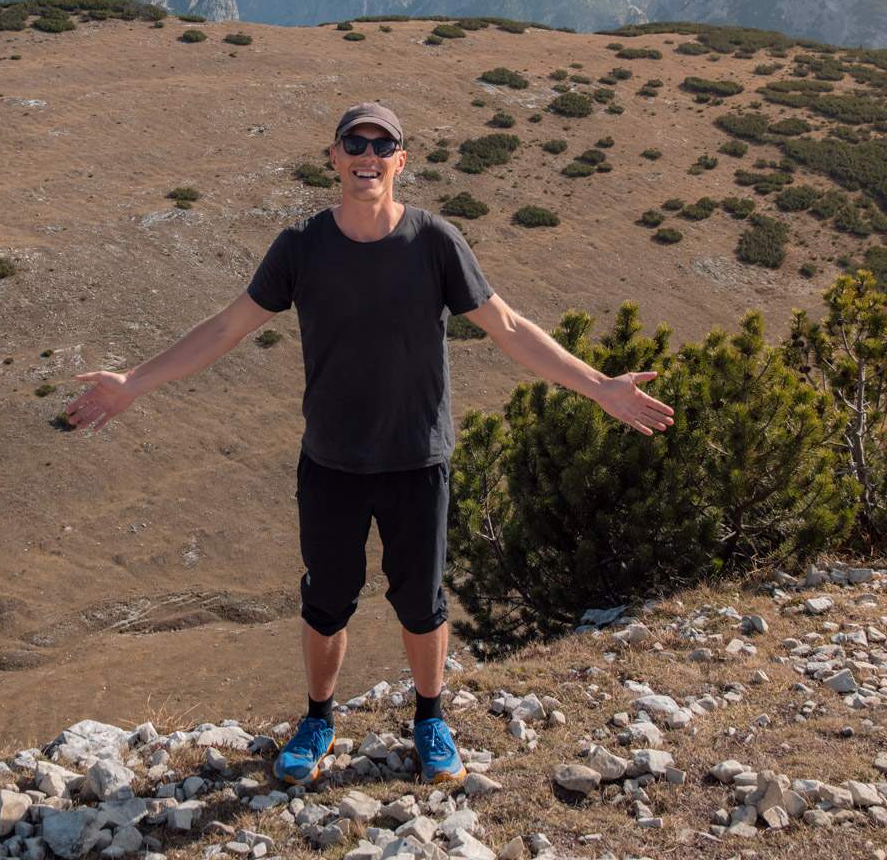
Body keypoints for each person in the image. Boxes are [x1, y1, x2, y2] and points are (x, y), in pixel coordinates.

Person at [66, 101, 675, 787]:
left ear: (400, 162)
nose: (369, 155)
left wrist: (598, 386)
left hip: (418, 460)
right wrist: (135, 382)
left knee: (422, 602)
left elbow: (505, 325)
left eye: (383, 145)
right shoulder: (301, 247)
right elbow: (226, 328)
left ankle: (430, 717)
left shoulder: (434, 242)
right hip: (330, 463)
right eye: (355, 143)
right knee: (326, 600)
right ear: (333, 158)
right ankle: (318, 718)